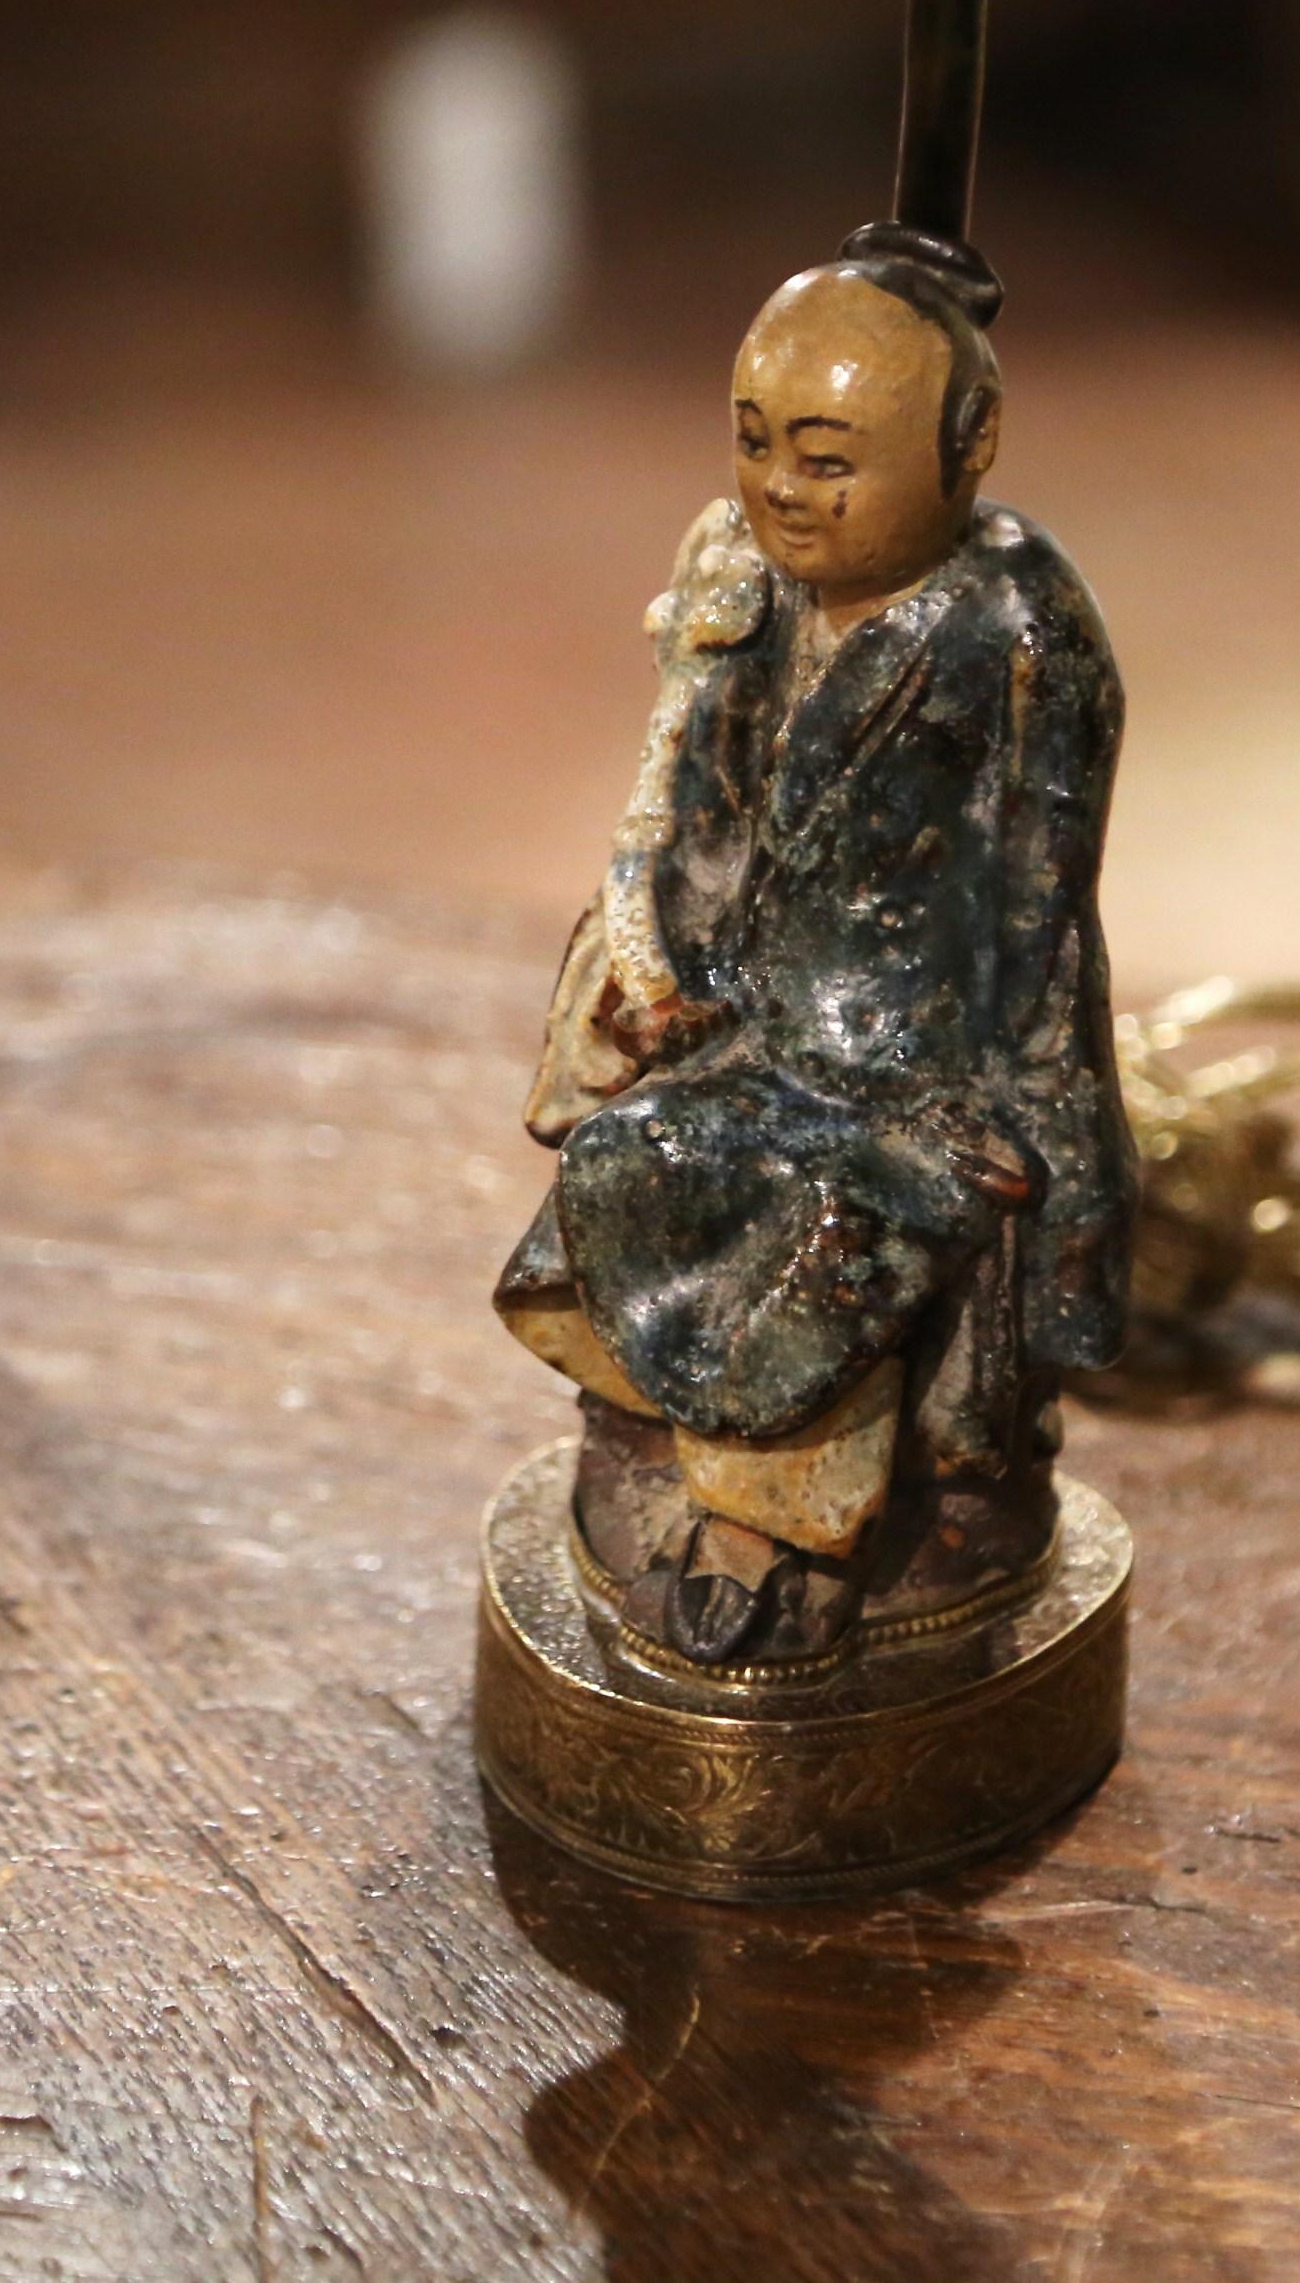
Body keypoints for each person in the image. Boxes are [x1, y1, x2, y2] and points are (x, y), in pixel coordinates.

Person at [496, 221, 1134, 1668]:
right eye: (757, 442)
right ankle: (655, 1426)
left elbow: (1042, 892)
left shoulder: (1015, 627)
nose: (785, 487)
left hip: (918, 1047)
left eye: (833, 457)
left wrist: (1013, 1101)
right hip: (757, 1010)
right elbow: (698, 813)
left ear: (968, 448)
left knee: (834, 1206)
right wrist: (671, 973)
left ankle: (785, 1522)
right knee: (625, 1142)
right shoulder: (749, 589)